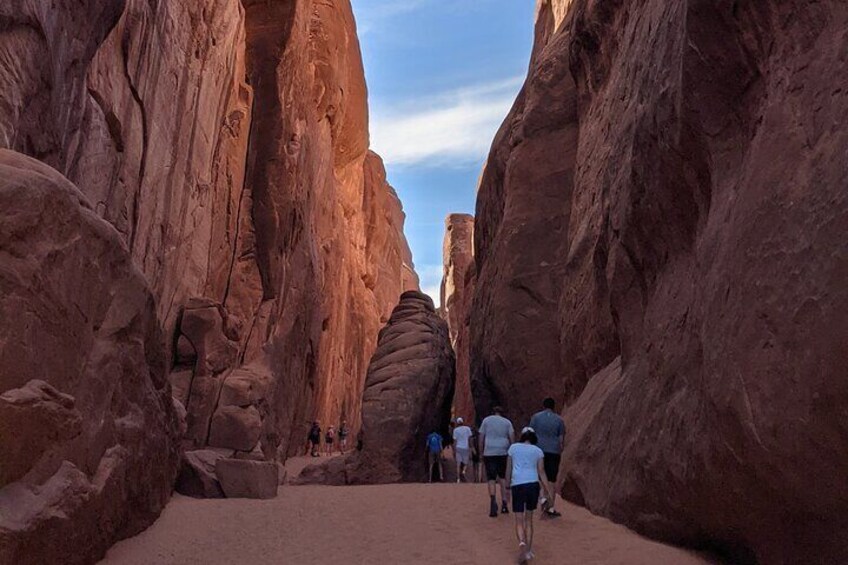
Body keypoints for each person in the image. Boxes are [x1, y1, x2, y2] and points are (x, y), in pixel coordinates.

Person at [506, 427, 553, 564]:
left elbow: (508, 468)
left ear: (522, 436)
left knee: (519, 519)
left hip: (517, 484)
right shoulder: (538, 451)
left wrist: (507, 486)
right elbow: (541, 471)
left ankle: (521, 542)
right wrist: (547, 491)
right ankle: (528, 551)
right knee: (529, 519)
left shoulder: (513, 448)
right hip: (533, 484)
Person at [529, 397, 566, 518]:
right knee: (551, 480)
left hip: (539, 451)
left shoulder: (535, 417)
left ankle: (542, 498)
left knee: (539, 477)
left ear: (543, 406)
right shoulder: (559, 420)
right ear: (554, 406)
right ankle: (550, 508)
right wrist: (560, 449)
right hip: (554, 452)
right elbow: (561, 440)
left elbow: (530, 434)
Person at [479, 406, 515, 517]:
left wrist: (481, 452)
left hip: (489, 451)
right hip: (503, 452)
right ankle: (504, 504)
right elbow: (512, 437)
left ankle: (493, 501)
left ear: (493, 412)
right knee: (502, 478)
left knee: (491, 478)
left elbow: (481, 437)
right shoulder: (507, 422)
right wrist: (512, 451)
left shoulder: (486, 420)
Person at [452, 417, 473, 483]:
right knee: (466, 463)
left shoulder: (455, 430)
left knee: (458, 464)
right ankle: (463, 471)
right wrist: (471, 447)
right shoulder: (467, 429)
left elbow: (454, 441)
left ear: (457, 423)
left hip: (458, 447)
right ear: (462, 422)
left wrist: (454, 450)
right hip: (465, 447)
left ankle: (458, 479)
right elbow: (470, 439)